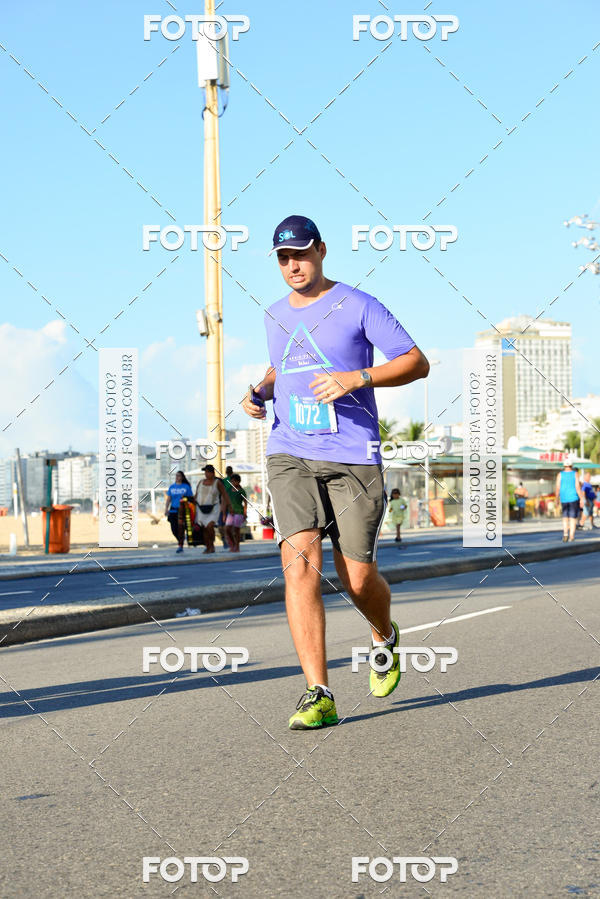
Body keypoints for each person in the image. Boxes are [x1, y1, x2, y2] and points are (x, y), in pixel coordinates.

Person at [242, 214, 429, 729]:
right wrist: (259, 392)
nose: (293, 265)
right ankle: (317, 692)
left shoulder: (359, 304)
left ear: (321, 250)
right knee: (299, 560)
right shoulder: (274, 314)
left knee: (357, 577)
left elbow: (416, 361)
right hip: (290, 450)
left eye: (300, 254)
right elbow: (285, 365)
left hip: (352, 453)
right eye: (283, 258)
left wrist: (357, 377)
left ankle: (383, 635)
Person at [194, 464, 230, 554]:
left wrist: (229, 506)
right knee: (204, 529)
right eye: (205, 472)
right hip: (201, 508)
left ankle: (212, 545)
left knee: (210, 527)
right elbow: (196, 495)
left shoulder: (217, 483)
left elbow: (225, 494)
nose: (206, 474)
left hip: (213, 508)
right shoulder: (201, 482)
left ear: (212, 473)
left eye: (208, 472)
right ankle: (208, 546)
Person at [164, 471, 194, 553]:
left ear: (182, 477)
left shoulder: (186, 487)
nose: (177, 477)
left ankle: (180, 545)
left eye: (179, 476)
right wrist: (166, 509)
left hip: (183, 511)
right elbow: (169, 499)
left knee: (181, 527)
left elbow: (191, 498)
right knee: (174, 529)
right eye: (176, 476)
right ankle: (181, 539)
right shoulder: (172, 487)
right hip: (173, 510)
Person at [555, 459, 584, 542]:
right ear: (572, 466)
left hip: (563, 498)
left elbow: (557, 487)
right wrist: (581, 498)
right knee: (572, 518)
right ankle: (571, 536)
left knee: (565, 517)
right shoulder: (575, 474)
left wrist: (556, 499)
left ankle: (565, 534)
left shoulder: (560, 474)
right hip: (573, 498)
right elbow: (578, 487)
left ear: (564, 466)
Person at [225, 473, 248, 552]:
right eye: (231, 481)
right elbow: (226, 501)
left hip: (239, 512)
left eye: (234, 481)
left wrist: (245, 513)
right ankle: (233, 544)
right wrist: (224, 513)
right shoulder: (228, 490)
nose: (232, 483)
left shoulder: (241, 491)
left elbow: (245, 502)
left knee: (236, 530)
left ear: (238, 482)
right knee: (227, 529)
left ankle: (237, 546)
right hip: (230, 512)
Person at [218, 465, 235, 546]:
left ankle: (230, 541)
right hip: (224, 504)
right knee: (221, 526)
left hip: (231, 505)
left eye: (229, 470)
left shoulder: (234, 481)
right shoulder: (224, 481)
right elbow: (222, 493)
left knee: (228, 526)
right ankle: (225, 539)